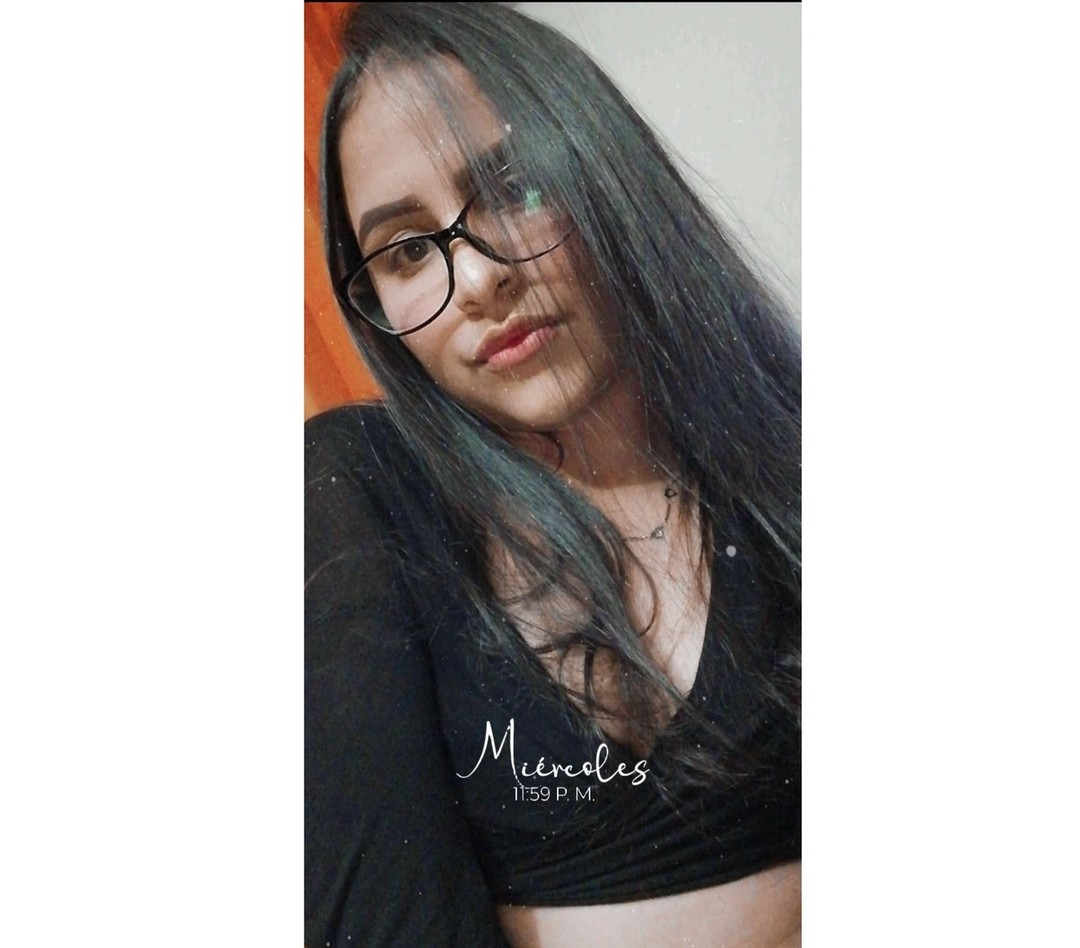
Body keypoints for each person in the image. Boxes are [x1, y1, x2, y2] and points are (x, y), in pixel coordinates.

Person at [305, 3, 801, 945]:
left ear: (606, 169)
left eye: (512, 187)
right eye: (405, 251)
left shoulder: (793, 443)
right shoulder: (358, 492)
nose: (478, 279)